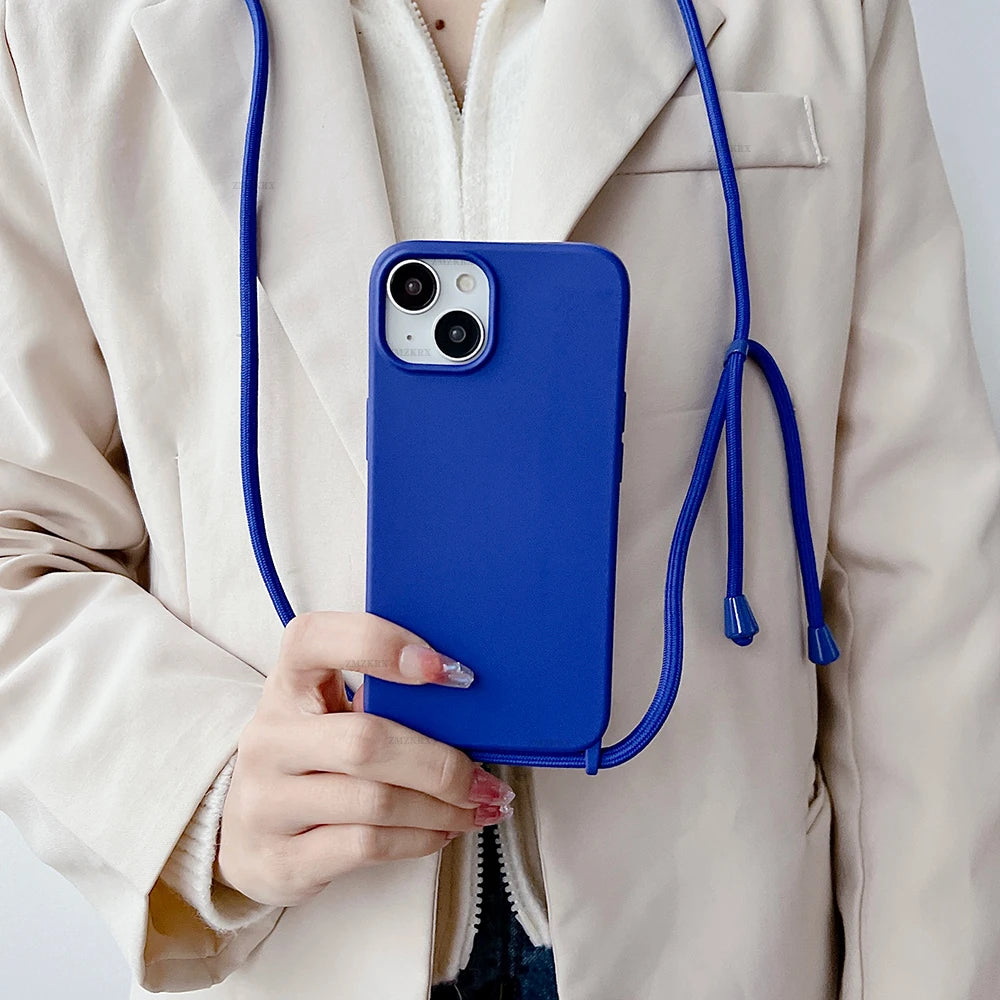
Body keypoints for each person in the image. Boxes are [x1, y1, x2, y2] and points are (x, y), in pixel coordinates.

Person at [1, 0, 998, 998]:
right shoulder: (58, 23)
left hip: (715, 925)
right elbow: (16, 541)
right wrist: (203, 787)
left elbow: (922, 569)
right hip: (311, 935)